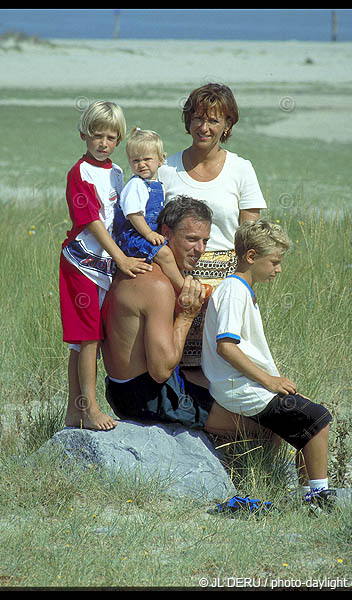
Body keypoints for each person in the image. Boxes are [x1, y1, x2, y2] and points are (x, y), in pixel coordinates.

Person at [102, 196, 270, 439]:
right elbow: (160, 371)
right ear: (165, 233)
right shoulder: (157, 285)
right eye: (191, 239)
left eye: (205, 241)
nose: (200, 249)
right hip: (147, 397)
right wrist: (186, 316)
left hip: (123, 389)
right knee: (265, 427)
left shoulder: (139, 267)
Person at [201, 219, 336, 510]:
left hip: (248, 386)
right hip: (241, 389)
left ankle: (310, 497)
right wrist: (269, 381)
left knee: (307, 420)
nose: (279, 269)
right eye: (274, 262)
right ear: (250, 257)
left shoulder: (242, 290)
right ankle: (318, 498)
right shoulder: (233, 290)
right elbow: (226, 346)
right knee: (317, 419)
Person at [158, 82, 267, 369]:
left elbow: (249, 239)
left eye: (213, 120)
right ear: (188, 121)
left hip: (226, 284)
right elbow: (154, 231)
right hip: (175, 277)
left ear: (227, 125)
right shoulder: (166, 169)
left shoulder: (241, 169)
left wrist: (239, 288)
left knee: (225, 363)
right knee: (175, 362)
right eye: (198, 118)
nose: (204, 127)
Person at [59, 101, 152, 431]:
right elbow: (93, 222)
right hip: (83, 262)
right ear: (84, 135)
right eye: (97, 136)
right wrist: (121, 258)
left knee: (83, 341)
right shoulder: (79, 173)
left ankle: (74, 411)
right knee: (88, 339)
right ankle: (91, 409)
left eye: (111, 138)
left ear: (119, 139)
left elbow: (119, 218)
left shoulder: (115, 173)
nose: (103, 143)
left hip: (105, 264)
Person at [113, 127, 184, 293]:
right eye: (136, 161)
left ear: (161, 160)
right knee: (165, 254)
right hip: (133, 237)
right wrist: (149, 234)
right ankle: (181, 287)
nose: (141, 164)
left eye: (147, 159)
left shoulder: (158, 184)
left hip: (147, 234)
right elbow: (133, 214)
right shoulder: (136, 185)